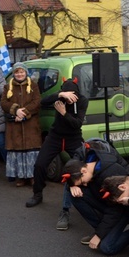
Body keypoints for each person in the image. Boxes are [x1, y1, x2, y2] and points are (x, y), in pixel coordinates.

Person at [59, 140, 129, 252]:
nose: (85, 185)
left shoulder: (111, 173)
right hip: (110, 206)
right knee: (74, 194)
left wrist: (99, 235)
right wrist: (73, 186)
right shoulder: (89, 166)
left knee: (107, 248)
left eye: (82, 182)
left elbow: (115, 210)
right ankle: (104, 230)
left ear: (83, 170)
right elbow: (74, 171)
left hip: (122, 210)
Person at [26, 78, 88, 210]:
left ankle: (87, 194)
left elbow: (77, 124)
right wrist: (60, 95)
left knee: (85, 164)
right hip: (55, 136)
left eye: (73, 94)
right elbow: (42, 102)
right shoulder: (59, 97)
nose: (70, 98)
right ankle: (37, 193)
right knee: (40, 164)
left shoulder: (82, 100)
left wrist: (64, 113)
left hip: (73, 137)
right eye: (67, 94)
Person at [0, 62, 41, 187]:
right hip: (15, 125)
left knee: (31, 151)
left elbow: (37, 101)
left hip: (31, 124)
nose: (19, 74)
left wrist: (24, 112)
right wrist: (15, 110)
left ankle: (33, 176)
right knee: (17, 152)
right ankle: (21, 177)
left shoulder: (33, 85)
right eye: (17, 72)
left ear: (25, 72)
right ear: (14, 74)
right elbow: (3, 102)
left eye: (21, 71)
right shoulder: (8, 87)